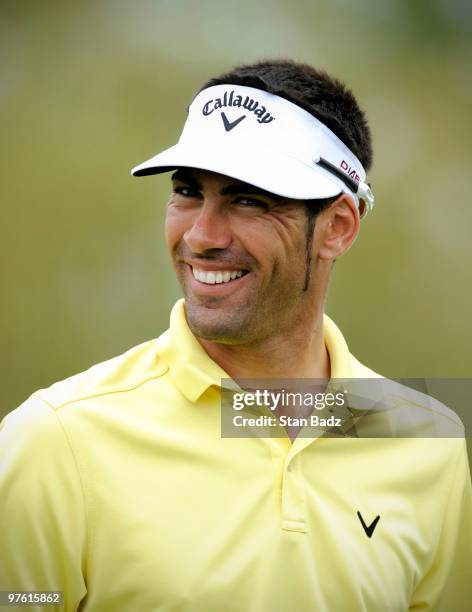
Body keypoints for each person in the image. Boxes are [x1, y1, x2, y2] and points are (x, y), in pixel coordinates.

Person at [1, 60, 471, 612]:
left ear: (339, 226)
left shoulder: (428, 440)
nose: (202, 236)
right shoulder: (55, 440)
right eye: (187, 192)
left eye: (249, 199)